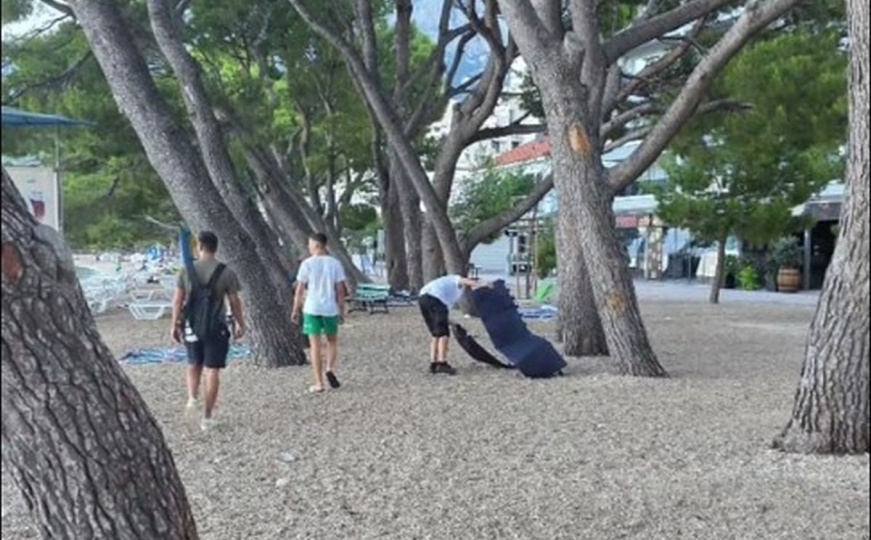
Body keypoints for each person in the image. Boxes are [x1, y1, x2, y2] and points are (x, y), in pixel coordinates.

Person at [171, 231, 245, 431]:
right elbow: (234, 301)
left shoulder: (186, 270)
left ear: (200, 246)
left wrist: (174, 324)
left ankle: (192, 398)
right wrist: (240, 323)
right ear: (216, 247)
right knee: (212, 370)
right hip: (216, 326)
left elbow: (178, 300)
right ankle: (207, 417)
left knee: (194, 364)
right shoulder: (226, 272)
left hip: (191, 325)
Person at [292, 233, 347, 393]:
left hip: (312, 308)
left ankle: (319, 382)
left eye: (310, 245)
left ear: (317, 245)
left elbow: (300, 289)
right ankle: (329, 368)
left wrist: (295, 309)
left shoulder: (307, 264)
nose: (308, 248)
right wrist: (341, 310)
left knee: (314, 345)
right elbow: (340, 290)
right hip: (330, 308)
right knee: (332, 341)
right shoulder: (335, 264)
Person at [418, 274, 490, 375]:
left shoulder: (451, 290)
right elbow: (465, 281)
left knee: (436, 334)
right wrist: (485, 284)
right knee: (443, 334)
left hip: (422, 299)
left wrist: (450, 322)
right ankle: (442, 363)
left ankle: (433, 364)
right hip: (435, 299)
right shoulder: (454, 279)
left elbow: (443, 312)